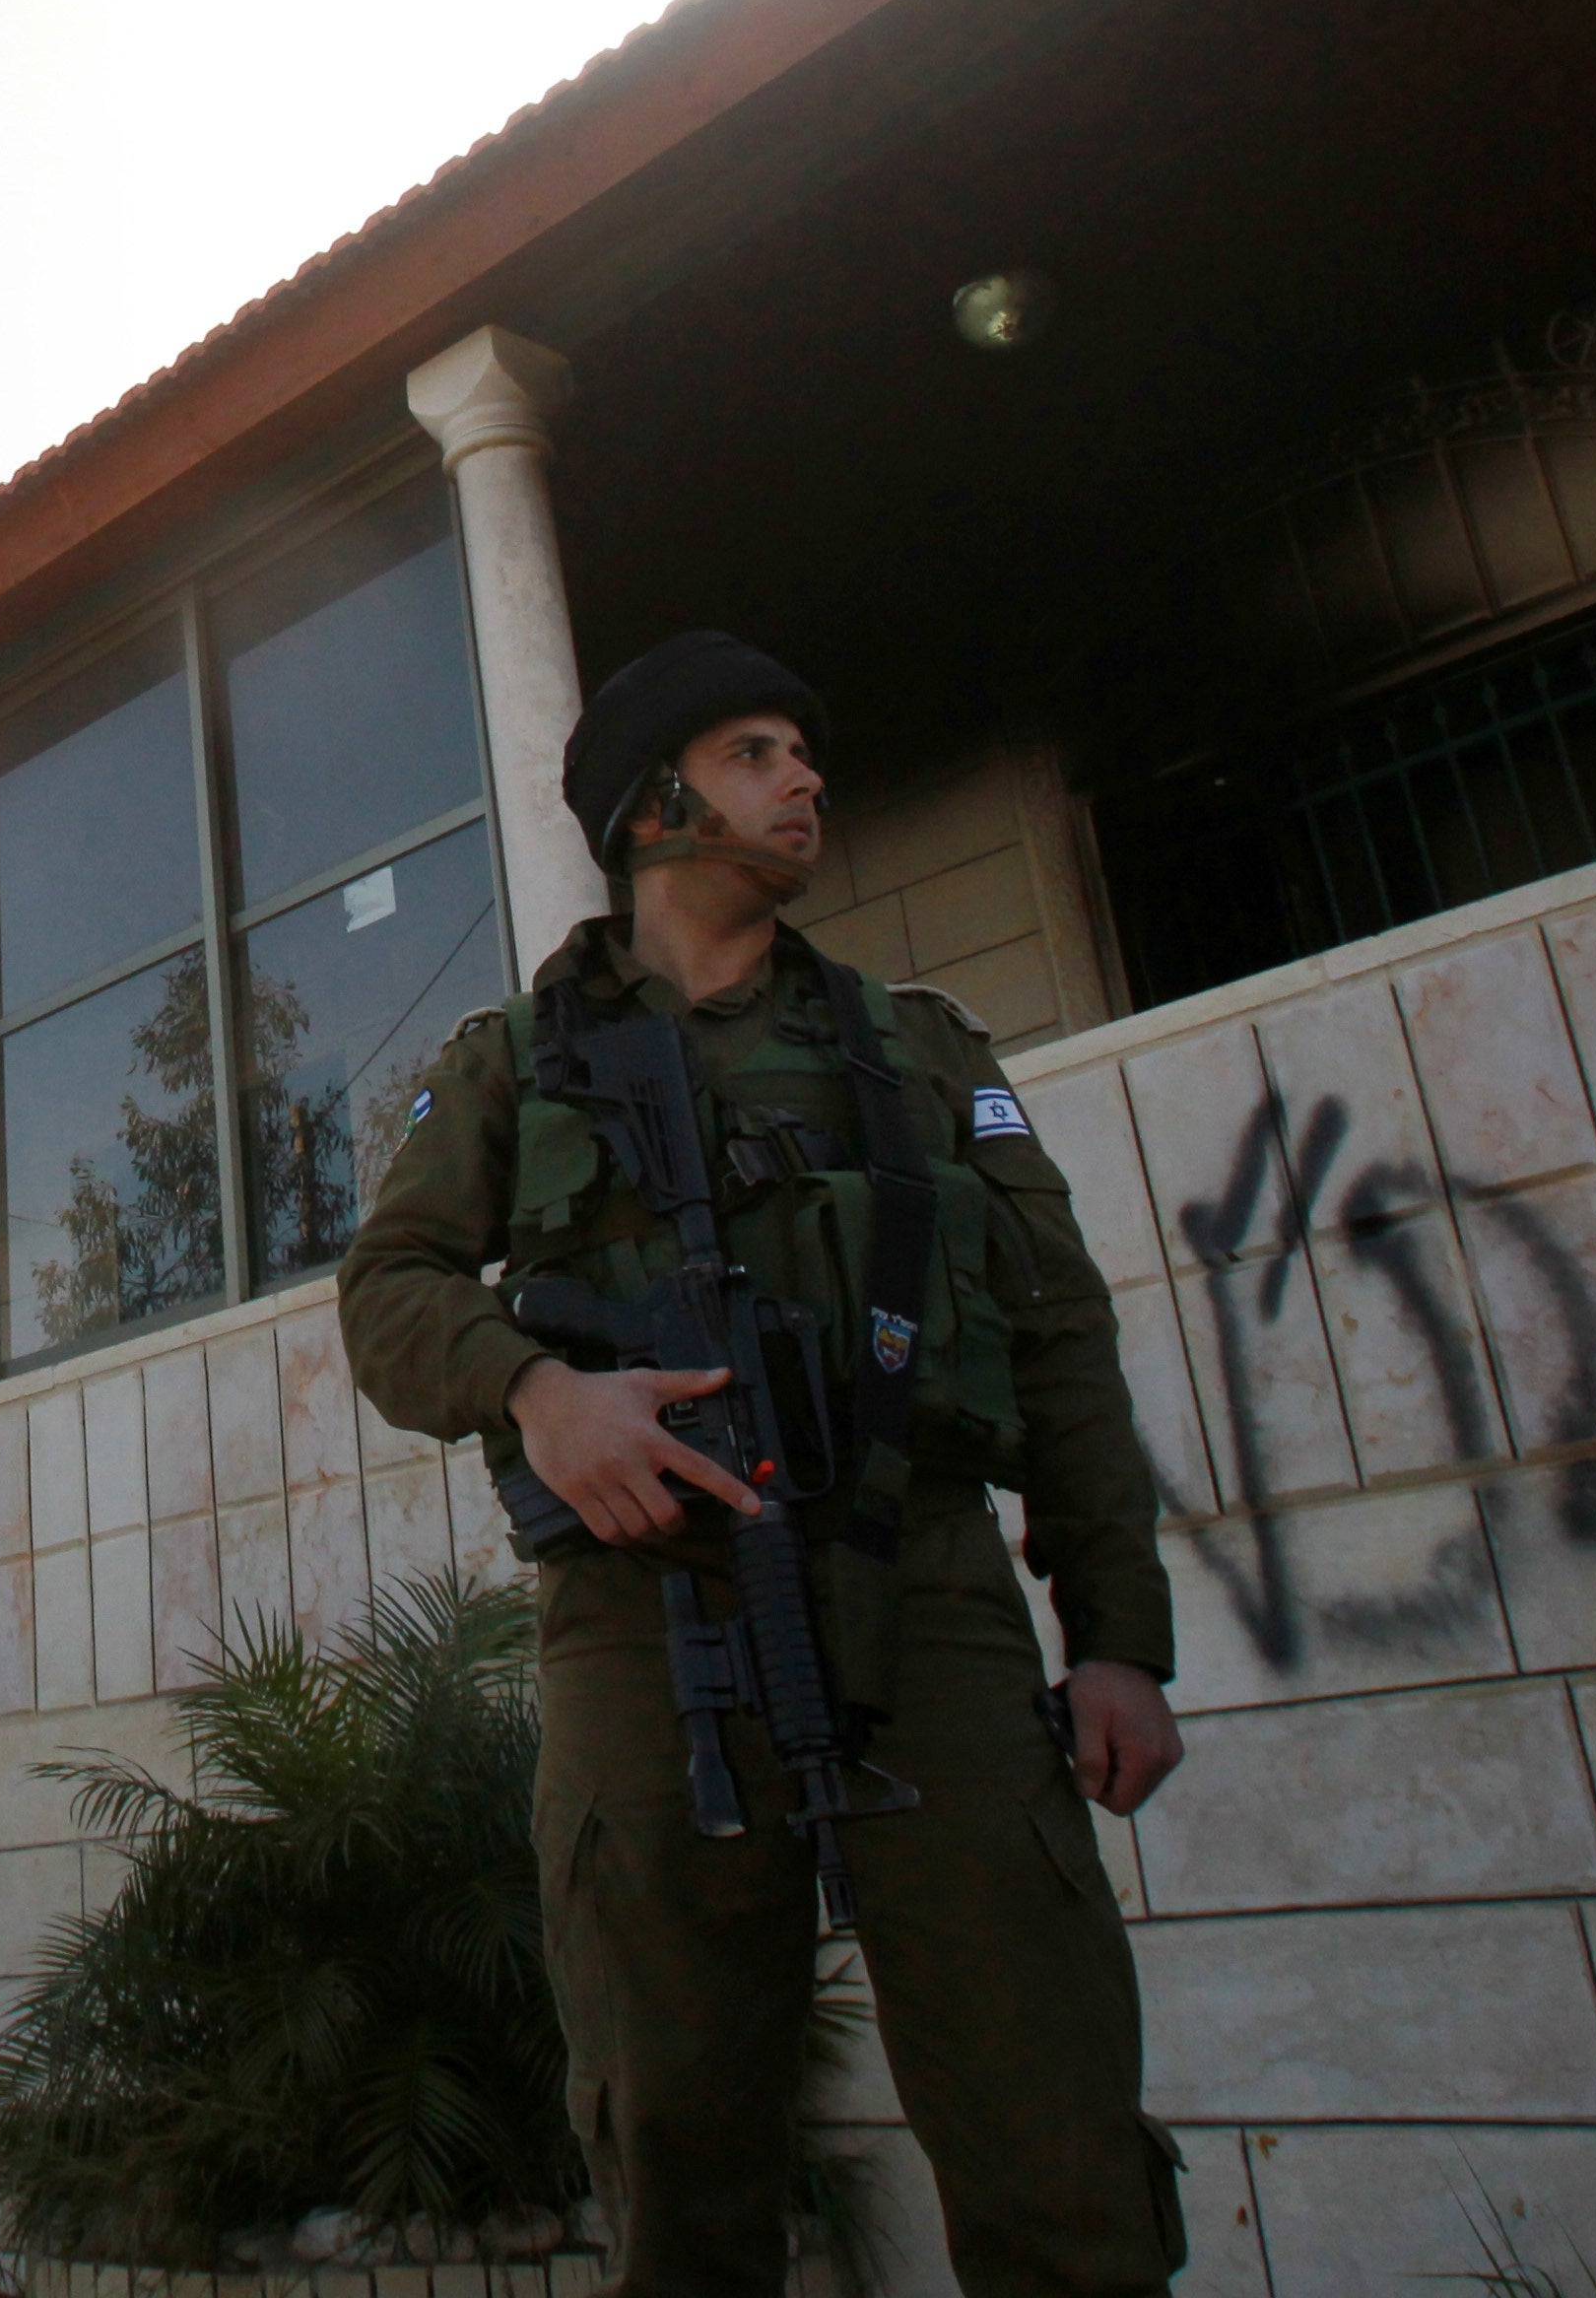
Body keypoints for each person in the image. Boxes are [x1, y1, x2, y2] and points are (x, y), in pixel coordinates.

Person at [339, 630, 1186, 2297]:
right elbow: (389, 1293)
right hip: (643, 1614)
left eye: (803, 748)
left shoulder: (925, 1047)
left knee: (1054, 2130)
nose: (805, 777)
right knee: (677, 2140)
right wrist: (538, 1394)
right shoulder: (510, 1059)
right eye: (753, 751)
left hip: (922, 1590)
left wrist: (1117, 1634)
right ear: (656, 805)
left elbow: (1062, 1338)